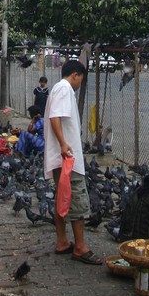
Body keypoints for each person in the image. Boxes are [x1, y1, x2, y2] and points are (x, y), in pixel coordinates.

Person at [44, 59, 102, 264]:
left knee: (62, 196)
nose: (80, 84)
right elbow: (55, 117)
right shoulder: (65, 89)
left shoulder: (59, 89)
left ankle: (62, 242)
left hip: (62, 155)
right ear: (75, 75)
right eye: (81, 79)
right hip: (67, 156)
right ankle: (80, 247)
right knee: (76, 197)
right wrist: (63, 144)